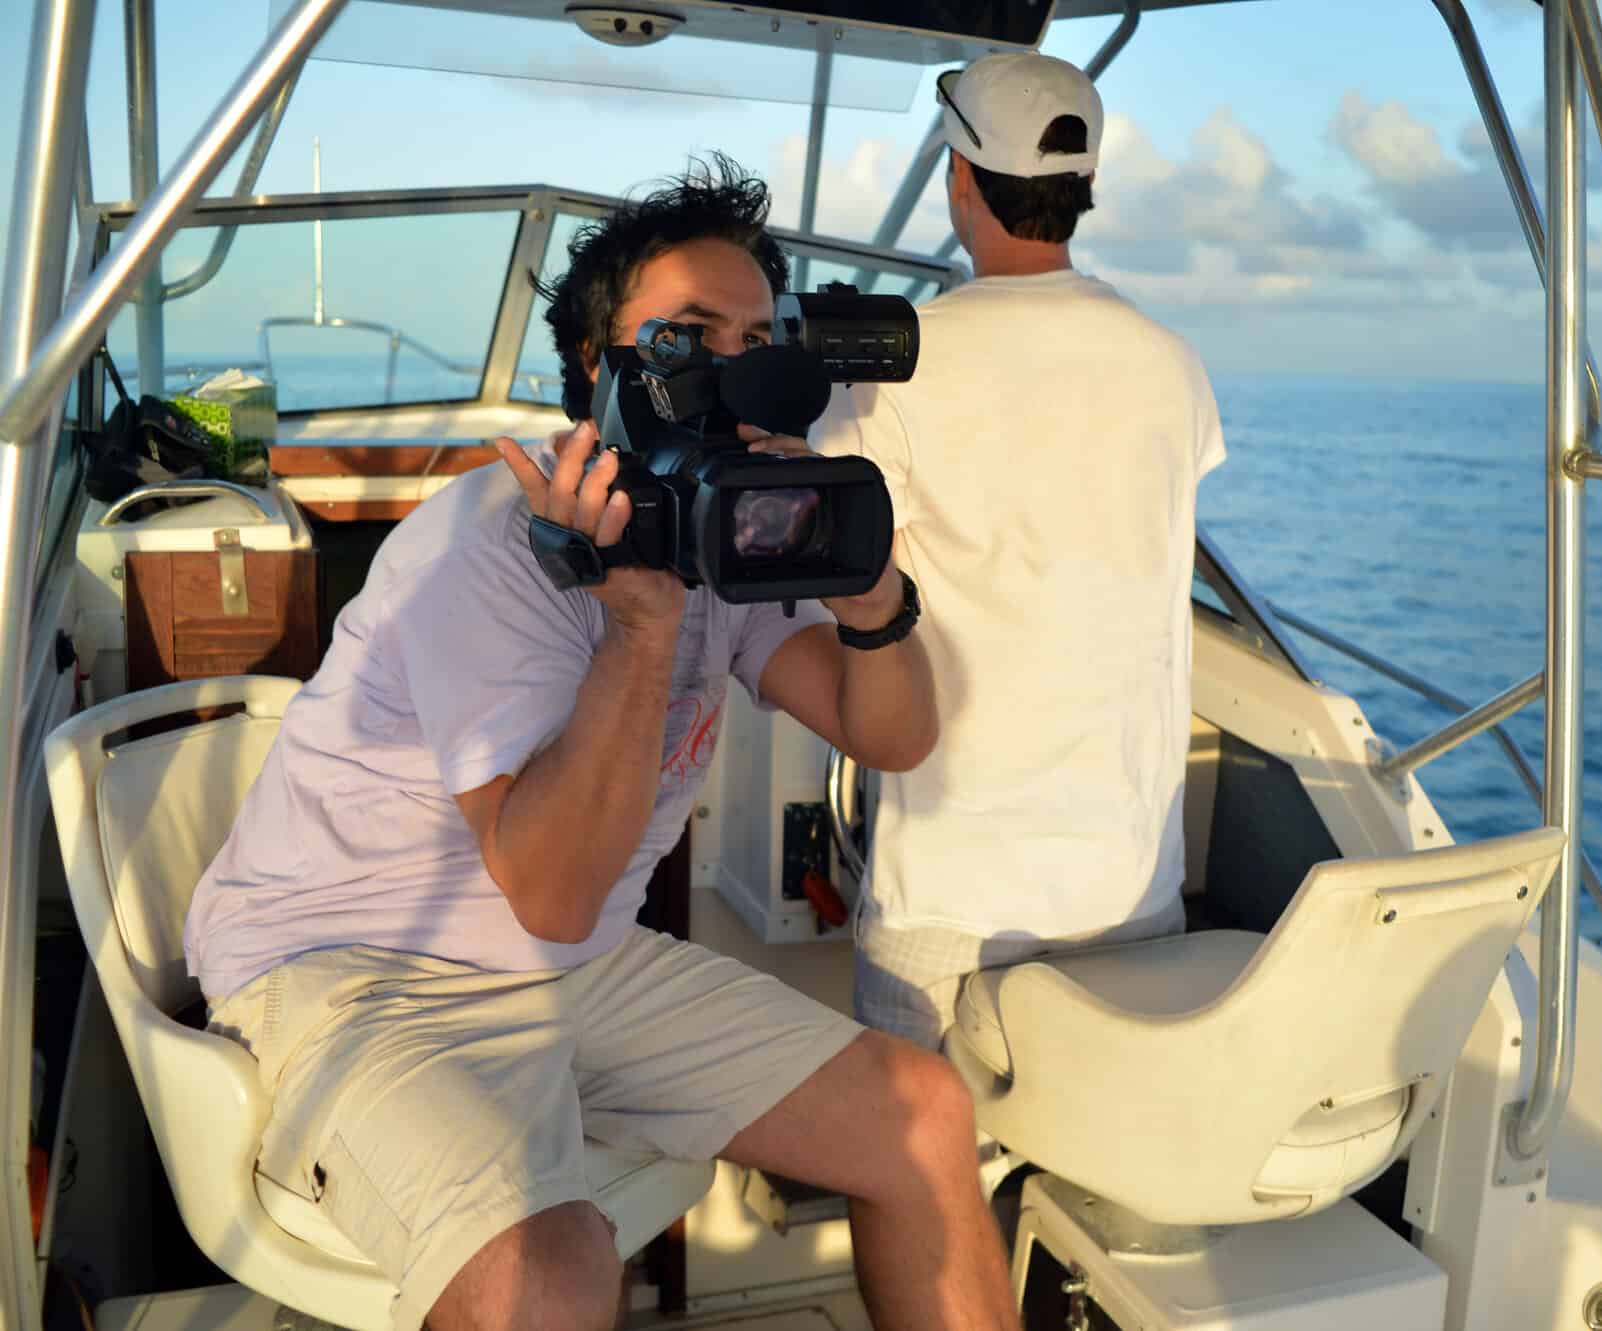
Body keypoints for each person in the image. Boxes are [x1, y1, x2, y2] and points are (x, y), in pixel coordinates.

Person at [181, 159, 1020, 1331]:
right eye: (686, 338)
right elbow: (555, 892)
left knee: (920, 1112)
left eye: (757, 336)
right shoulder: (483, 545)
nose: (731, 368)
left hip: (570, 964)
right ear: (595, 367)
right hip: (360, 965)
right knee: (550, 1265)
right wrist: (639, 620)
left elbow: (891, 733)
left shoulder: (727, 521)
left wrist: (871, 598)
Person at [806, 54, 1228, 1049]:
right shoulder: (1171, 362)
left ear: (960, 179)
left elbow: (831, 556)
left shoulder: (899, 363)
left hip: (954, 887)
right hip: (1127, 883)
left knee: (909, 1169)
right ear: (1079, 188)